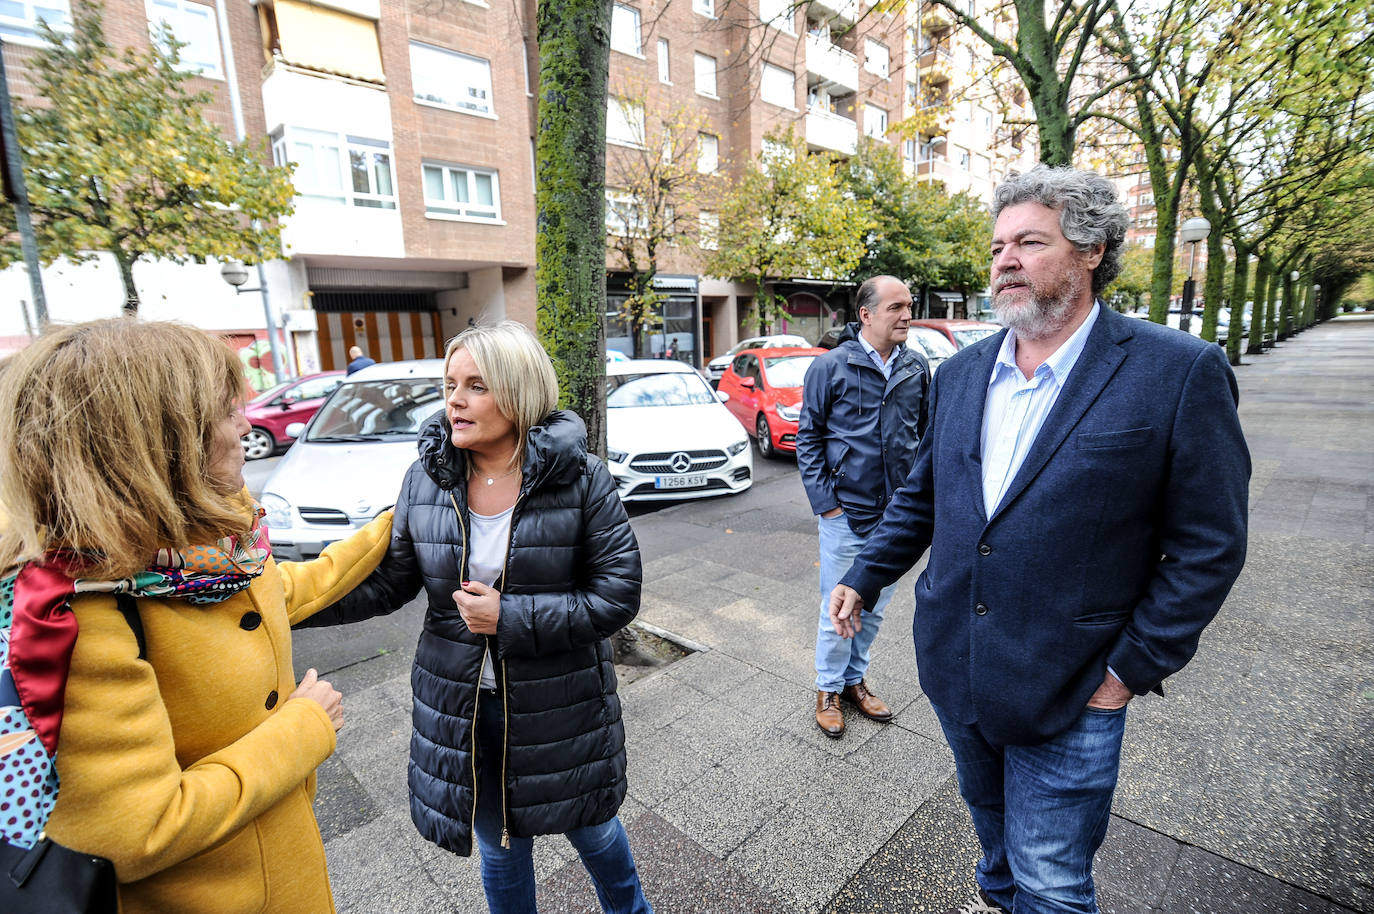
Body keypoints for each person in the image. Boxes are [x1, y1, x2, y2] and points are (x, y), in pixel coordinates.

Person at [828, 166, 1250, 914]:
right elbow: (923, 497)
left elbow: (1209, 545)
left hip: (1076, 688)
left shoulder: (1177, 372)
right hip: (957, 671)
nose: (1005, 261)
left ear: (1091, 251)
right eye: (997, 247)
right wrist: (864, 575)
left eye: (1029, 241)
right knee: (993, 845)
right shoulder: (958, 374)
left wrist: (1127, 670)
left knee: (1052, 880)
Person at [0, 319, 393, 914]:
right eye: (224, 411)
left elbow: (281, 590)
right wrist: (304, 728)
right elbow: (136, 829)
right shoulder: (80, 615)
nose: (246, 425)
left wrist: (397, 521)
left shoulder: (205, 557)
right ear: (156, 444)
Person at [305, 321, 652, 914]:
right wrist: (283, 603)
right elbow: (389, 582)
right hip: (464, 706)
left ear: (517, 394)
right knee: (498, 846)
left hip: (559, 702)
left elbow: (617, 594)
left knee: (593, 830)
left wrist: (508, 616)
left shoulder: (581, 477)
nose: (455, 401)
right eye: (449, 385)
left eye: (476, 385)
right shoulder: (427, 479)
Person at [795, 275, 930, 738]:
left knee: (869, 607)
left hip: (897, 517)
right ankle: (827, 688)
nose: (906, 315)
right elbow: (808, 440)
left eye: (909, 305)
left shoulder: (916, 366)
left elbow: (923, 437)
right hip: (846, 513)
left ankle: (854, 681)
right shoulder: (829, 367)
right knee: (838, 607)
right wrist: (826, 505)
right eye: (895, 307)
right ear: (866, 315)